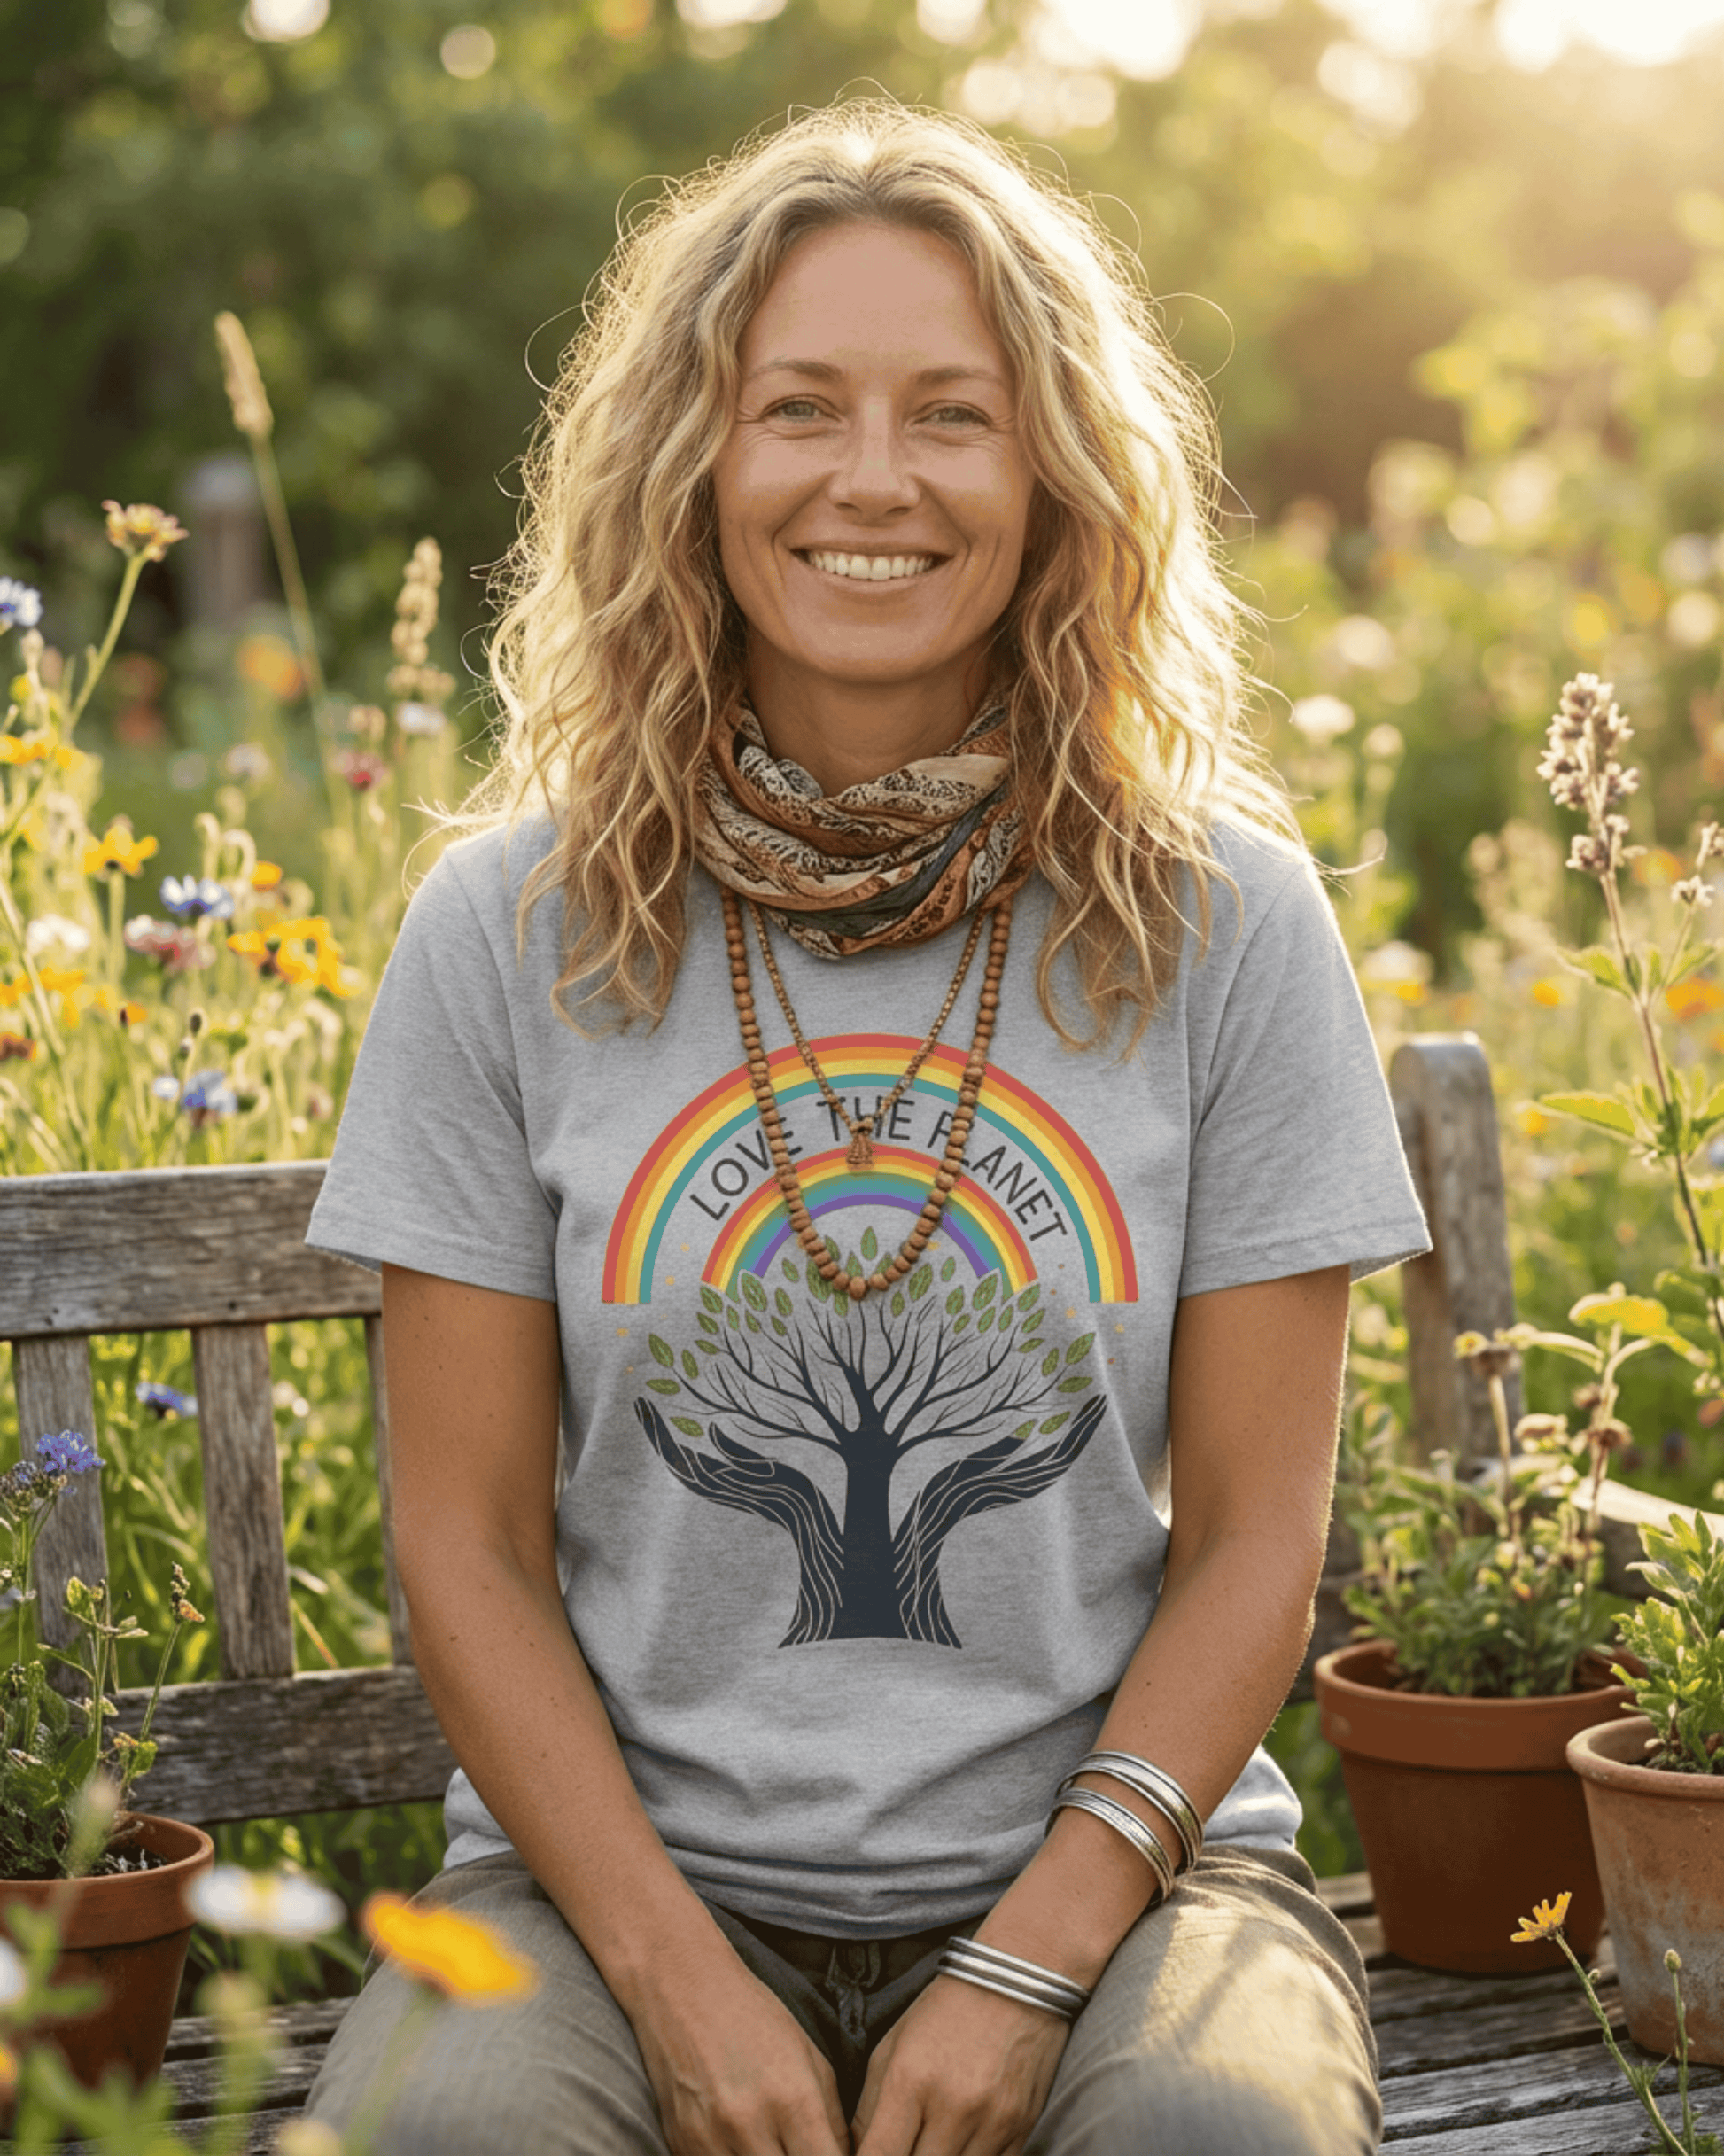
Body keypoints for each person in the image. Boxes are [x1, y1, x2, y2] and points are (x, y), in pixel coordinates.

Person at [301, 98, 1430, 2156]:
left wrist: (1028, 1961)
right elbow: (464, 1543)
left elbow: (1255, 1541)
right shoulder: (509, 929)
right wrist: (672, 1981)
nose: (874, 479)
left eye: (953, 415)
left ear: (1055, 474)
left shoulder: (1225, 921)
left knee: (1218, 2139)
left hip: (1125, 1883)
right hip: (606, 1895)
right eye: (799, 407)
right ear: (691, 462)